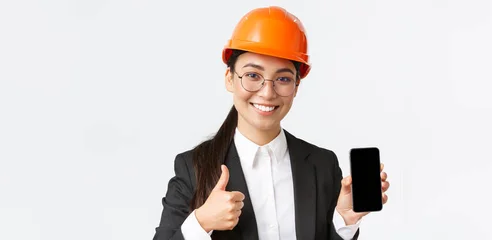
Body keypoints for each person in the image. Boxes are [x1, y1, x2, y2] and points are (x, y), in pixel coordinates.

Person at [152, 6, 390, 240]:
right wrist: (201, 223)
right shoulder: (193, 167)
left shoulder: (323, 165)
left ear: (296, 87)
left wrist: (345, 220)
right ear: (230, 79)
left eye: (283, 78)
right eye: (253, 75)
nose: (267, 93)